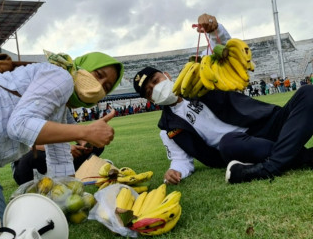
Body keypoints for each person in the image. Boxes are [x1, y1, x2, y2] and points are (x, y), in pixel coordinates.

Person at [0, 51, 124, 237]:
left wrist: (73, 200)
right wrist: (85, 131)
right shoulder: (62, 77)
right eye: (98, 75)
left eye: (106, 87)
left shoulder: (60, 101)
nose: (98, 85)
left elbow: (59, 157)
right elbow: (19, 126)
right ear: (81, 67)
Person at [133, 14, 313, 186]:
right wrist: (175, 171)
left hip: (265, 124)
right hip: (240, 147)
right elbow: (181, 160)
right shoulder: (168, 129)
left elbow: (220, 48)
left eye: (156, 81)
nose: (155, 89)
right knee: (228, 142)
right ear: (150, 100)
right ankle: (299, 157)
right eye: (149, 92)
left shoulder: (197, 77)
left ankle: (270, 166)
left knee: (307, 93)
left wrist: (214, 29)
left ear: (166, 75)